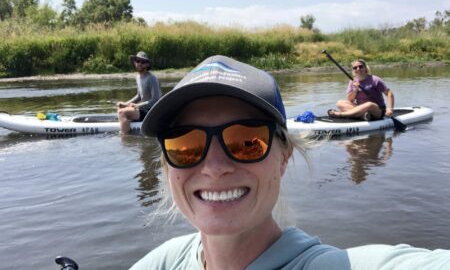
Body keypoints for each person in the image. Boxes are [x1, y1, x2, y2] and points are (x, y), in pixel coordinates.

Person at [130, 55, 450, 269]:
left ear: (284, 157)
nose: (214, 167)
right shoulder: (167, 260)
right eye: (186, 144)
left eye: (245, 142)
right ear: (167, 166)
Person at [328, 59, 395, 121]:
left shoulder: (375, 80)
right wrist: (355, 90)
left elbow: (389, 93)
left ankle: (341, 115)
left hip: (377, 110)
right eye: (355, 67)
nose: (358, 69)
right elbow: (350, 100)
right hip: (360, 108)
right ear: (353, 70)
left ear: (365, 68)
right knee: (340, 103)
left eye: (360, 66)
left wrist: (389, 109)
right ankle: (362, 116)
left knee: (369, 104)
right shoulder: (352, 82)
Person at [116, 51, 161, 133]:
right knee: (120, 108)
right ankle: (126, 126)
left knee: (121, 112)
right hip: (141, 109)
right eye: (137, 61)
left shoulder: (152, 79)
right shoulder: (138, 77)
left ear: (147, 64)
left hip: (150, 111)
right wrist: (125, 104)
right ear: (134, 62)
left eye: (143, 62)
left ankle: (126, 139)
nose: (139, 63)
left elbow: (156, 99)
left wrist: (137, 105)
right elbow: (139, 96)